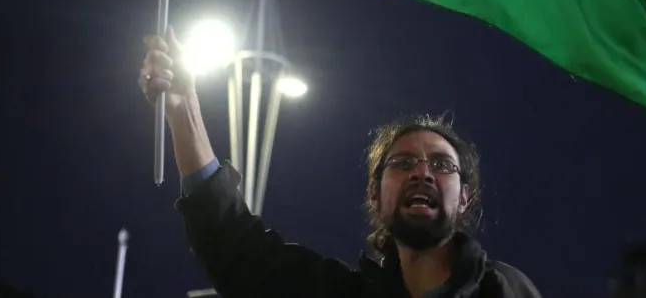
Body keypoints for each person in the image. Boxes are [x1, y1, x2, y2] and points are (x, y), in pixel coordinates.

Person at [140, 27, 543, 298]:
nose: (422, 172)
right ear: (374, 191)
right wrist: (183, 109)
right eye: (403, 163)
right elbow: (234, 246)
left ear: (465, 197)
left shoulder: (503, 290)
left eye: (441, 165)